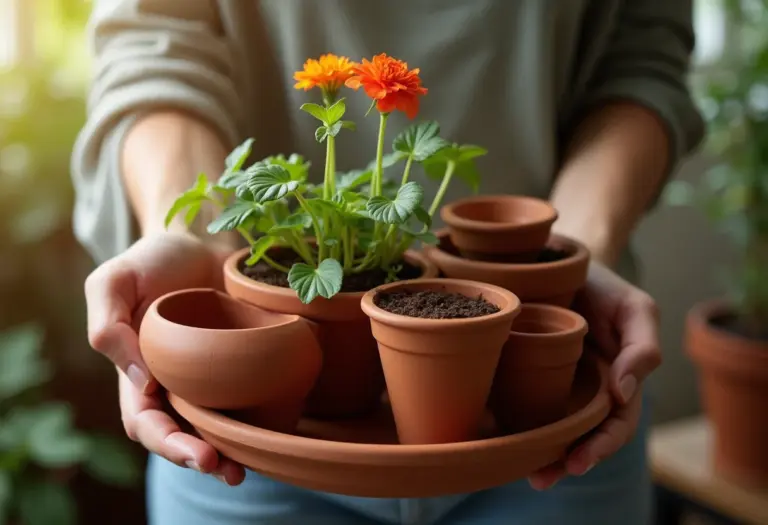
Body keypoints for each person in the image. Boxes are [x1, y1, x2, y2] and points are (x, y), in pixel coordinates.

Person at [72, 1, 704, 524]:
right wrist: (194, 233)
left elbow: (641, 53)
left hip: (546, 407)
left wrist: (573, 252)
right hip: (251, 433)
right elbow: (155, 37)